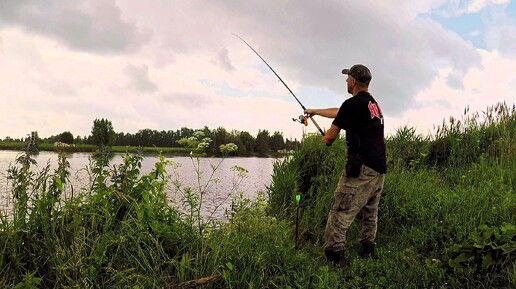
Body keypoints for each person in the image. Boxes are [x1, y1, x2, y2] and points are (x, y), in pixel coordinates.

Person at [304, 64, 387, 267]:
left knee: (340, 211)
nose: (346, 81)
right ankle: (368, 249)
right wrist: (314, 111)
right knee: (370, 212)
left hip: (361, 169)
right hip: (379, 169)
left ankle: (335, 257)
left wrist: (325, 138)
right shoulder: (372, 104)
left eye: (347, 77)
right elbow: (340, 112)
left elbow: (330, 138)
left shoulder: (352, 105)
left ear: (353, 81)